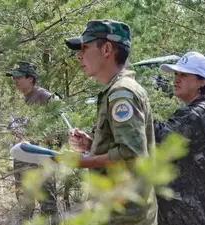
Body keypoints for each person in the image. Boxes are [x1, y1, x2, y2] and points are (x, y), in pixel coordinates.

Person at [64, 19, 158, 225]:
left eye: (85, 47)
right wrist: (92, 145)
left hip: (123, 214)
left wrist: (81, 161)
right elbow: (125, 145)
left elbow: (131, 153)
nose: (79, 55)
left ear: (107, 49)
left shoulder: (121, 93)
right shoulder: (118, 90)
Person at [153, 52, 205, 225]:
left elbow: (162, 139)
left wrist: (133, 115)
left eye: (184, 74)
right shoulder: (200, 111)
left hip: (191, 213)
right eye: (175, 74)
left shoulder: (199, 114)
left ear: (202, 81)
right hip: (190, 211)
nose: (176, 79)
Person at [6, 61, 58, 223]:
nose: (15, 80)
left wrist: (37, 137)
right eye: (13, 77)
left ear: (31, 78)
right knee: (24, 205)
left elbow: (56, 131)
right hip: (21, 158)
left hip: (40, 158)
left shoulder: (44, 97)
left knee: (47, 206)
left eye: (19, 77)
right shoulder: (19, 100)